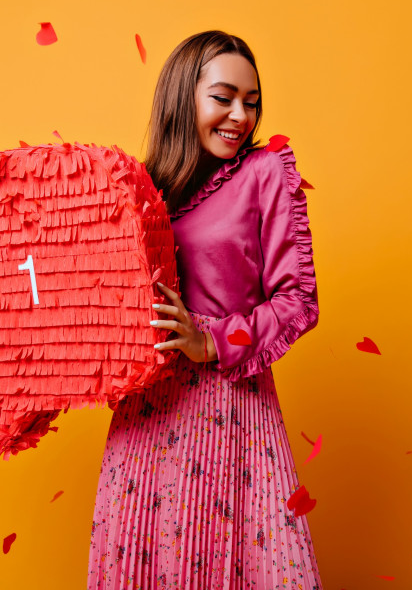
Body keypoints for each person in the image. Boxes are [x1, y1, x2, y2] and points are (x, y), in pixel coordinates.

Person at [87, 30, 322, 589]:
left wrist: (212, 340)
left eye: (252, 101)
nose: (241, 115)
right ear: (182, 98)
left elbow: (298, 301)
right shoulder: (141, 190)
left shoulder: (265, 174)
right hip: (145, 416)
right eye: (224, 97)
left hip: (230, 408)